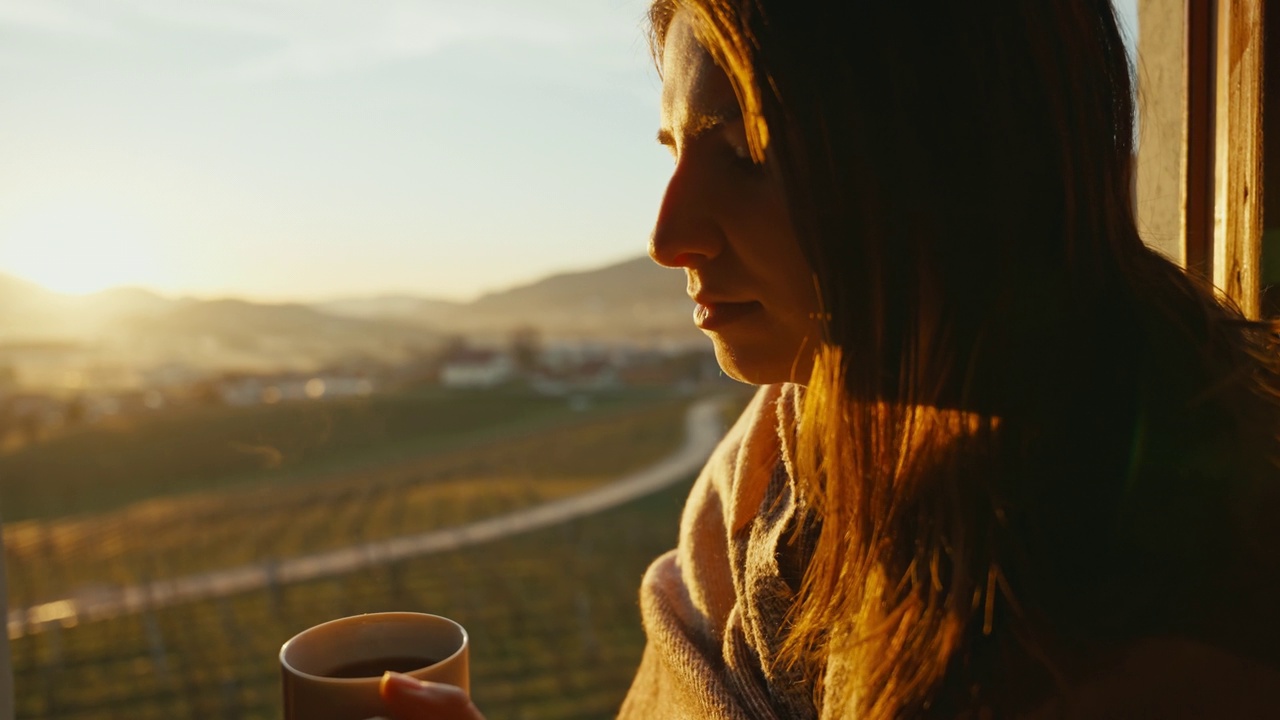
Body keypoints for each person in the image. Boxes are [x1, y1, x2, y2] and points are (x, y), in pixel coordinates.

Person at [380, 0, 1280, 717]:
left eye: (744, 154)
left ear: (956, 164)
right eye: (675, 149)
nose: (667, 236)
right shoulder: (786, 445)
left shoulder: (1150, 625)